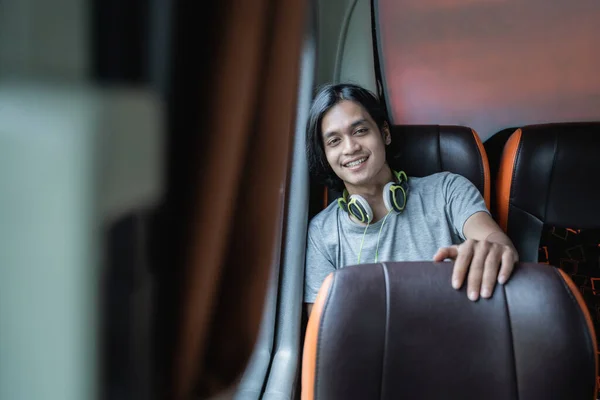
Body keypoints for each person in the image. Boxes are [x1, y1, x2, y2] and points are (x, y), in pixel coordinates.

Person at [304, 83, 519, 316]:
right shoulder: (321, 233)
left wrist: (496, 249)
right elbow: (324, 330)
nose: (351, 147)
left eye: (360, 131)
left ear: (384, 133)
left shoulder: (448, 190)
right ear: (326, 156)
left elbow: (492, 238)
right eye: (334, 141)